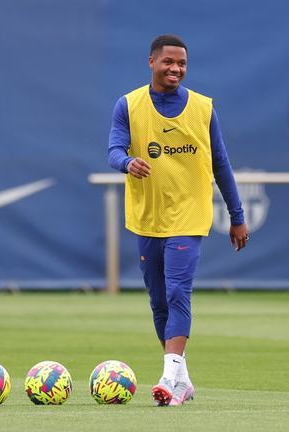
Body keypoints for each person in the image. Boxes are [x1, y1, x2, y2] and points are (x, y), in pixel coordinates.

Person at [107, 34, 249, 406]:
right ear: (152, 62)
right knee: (158, 301)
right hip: (147, 217)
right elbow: (114, 149)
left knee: (177, 292)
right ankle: (183, 381)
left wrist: (237, 216)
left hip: (189, 215)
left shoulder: (203, 109)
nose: (176, 69)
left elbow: (221, 164)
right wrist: (127, 162)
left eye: (182, 63)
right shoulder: (129, 105)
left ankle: (168, 379)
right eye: (169, 62)